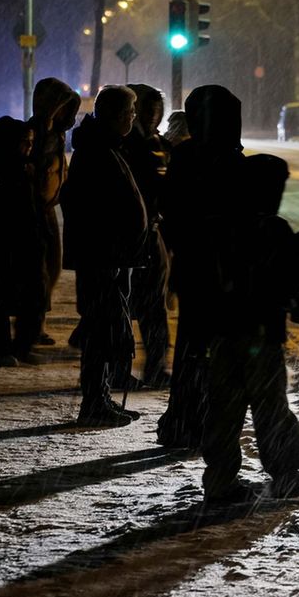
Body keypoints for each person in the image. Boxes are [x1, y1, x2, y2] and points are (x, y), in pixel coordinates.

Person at [198, 154, 299, 503]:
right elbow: (290, 283)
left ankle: (220, 479)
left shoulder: (220, 226)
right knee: (271, 408)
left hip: (222, 334)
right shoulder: (272, 229)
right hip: (260, 335)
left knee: (225, 409)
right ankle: (285, 475)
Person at [156, 85, 246, 449]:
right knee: (215, 356)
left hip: (193, 269)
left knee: (191, 349)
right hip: (220, 274)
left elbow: (171, 211)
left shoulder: (186, 156)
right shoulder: (229, 161)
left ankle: (184, 417)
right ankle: (202, 418)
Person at [59, 86, 148, 426]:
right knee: (101, 331)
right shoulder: (96, 151)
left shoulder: (105, 146)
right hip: (102, 257)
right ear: (113, 115)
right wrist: (115, 244)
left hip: (111, 256)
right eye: (129, 112)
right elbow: (94, 208)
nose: (133, 118)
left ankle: (101, 397)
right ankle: (94, 402)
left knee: (108, 329)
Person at [0, 116, 47, 367]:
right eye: (24, 142)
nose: (29, 146)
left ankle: (23, 346)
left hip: (27, 247)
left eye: (31, 142)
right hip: (2, 249)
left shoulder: (27, 171)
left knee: (33, 299)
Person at [116, 83, 171, 390]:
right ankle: (122, 366)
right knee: (131, 306)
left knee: (152, 306)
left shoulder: (158, 143)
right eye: (146, 110)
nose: (152, 116)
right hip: (133, 237)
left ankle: (155, 364)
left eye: (156, 110)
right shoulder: (128, 146)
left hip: (153, 232)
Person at [27, 78, 82, 347]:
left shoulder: (57, 135)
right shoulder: (34, 133)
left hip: (48, 211)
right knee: (37, 272)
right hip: (32, 211)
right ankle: (31, 327)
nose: (64, 113)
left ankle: (37, 324)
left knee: (50, 268)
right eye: (60, 107)